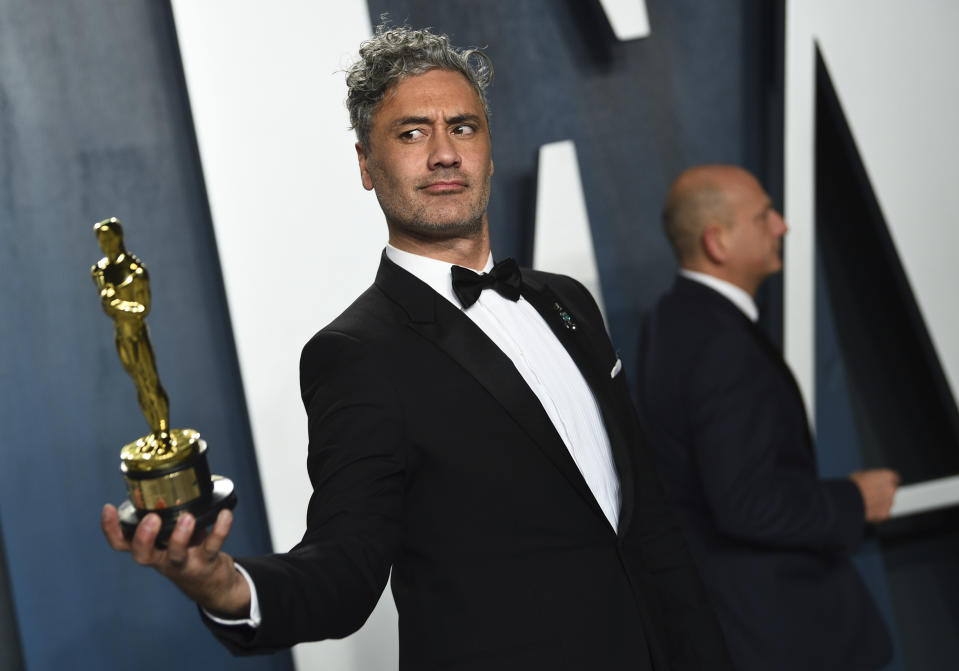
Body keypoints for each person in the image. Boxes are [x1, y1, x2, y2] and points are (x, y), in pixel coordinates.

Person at [102, 26, 733, 670]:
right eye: (411, 133)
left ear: (488, 148)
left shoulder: (567, 301)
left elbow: (649, 523)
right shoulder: (355, 355)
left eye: (462, 128)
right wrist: (226, 585)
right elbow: (343, 569)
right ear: (366, 166)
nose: (443, 154)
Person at [635, 164, 898, 671]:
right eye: (764, 217)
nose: (781, 226)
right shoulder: (720, 344)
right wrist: (855, 500)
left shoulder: (669, 323)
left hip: (737, 626)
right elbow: (746, 505)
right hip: (780, 634)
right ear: (718, 243)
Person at [92, 218, 170, 443]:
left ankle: (163, 432)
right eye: (101, 239)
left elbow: (143, 308)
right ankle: (155, 433)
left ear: (119, 237)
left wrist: (116, 305)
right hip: (121, 336)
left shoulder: (136, 272)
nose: (105, 242)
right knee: (139, 385)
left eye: (109, 237)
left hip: (137, 335)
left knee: (150, 383)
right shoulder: (101, 272)